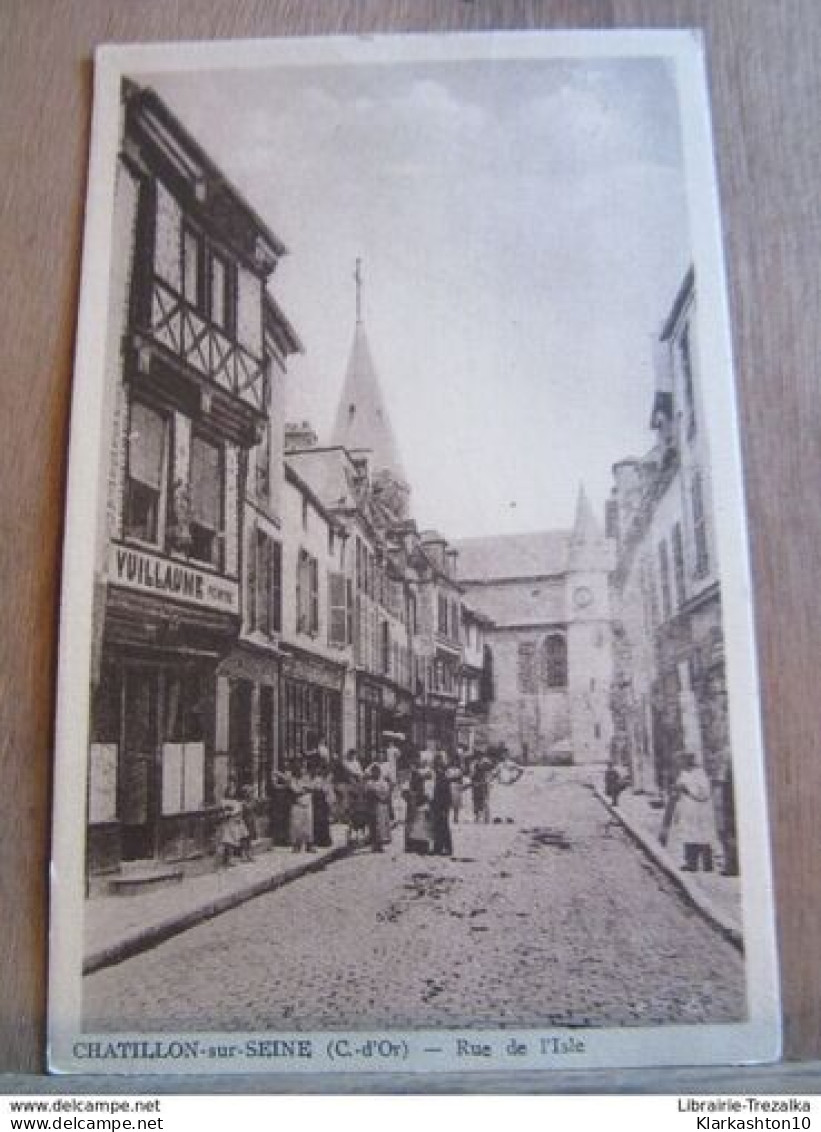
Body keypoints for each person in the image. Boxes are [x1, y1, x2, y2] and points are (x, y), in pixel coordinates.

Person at [662, 751, 717, 872]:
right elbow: (679, 788)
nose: (679, 764)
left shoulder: (700, 774)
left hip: (700, 811)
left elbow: (705, 794)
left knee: (702, 837)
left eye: (681, 761)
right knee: (688, 836)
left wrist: (688, 791)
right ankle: (691, 864)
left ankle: (707, 866)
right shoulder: (683, 774)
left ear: (688, 761)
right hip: (687, 811)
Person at [274, 760, 314, 853]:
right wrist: (304, 789)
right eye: (300, 769)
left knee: (308, 825)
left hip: (307, 803)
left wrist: (305, 789)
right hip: (297, 804)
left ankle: (309, 845)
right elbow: (295, 790)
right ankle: (296, 845)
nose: (302, 771)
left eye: (303, 769)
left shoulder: (307, 777)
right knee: (296, 826)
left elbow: (312, 787)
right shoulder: (292, 779)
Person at [404, 754, 433, 854]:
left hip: (418, 801)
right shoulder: (413, 776)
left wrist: (415, 795)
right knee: (414, 824)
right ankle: (413, 845)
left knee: (418, 824)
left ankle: (418, 845)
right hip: (413, 801)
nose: (412, 768)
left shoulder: (418, 776)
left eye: (413, 766)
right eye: (411, 766)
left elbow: (422, 790)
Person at [364, 763, 392, 852]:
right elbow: (367, 794)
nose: (375, 773)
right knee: (373, 825)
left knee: (380, 825)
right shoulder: (369, 783)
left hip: (381, 805)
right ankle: (374, 844)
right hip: (372, 806)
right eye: (373, 771)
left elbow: (387, 793)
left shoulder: (383, 782)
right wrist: (372, 794)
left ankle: (379, 845)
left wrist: (379, 795)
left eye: (377, 771)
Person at [218, 788, 248, 867]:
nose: (232, 792)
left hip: (235, 822)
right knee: (229, 842)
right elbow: (224, 812)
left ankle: (241, 856)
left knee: (236, 840)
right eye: (230, 791)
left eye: (233, 791)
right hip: (228, 823)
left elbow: (238, 811)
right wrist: (228, 813)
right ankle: (227, 860)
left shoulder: (235, 801)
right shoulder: (224, 801)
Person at [431, 755, 454, 856]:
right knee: (438, 827)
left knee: (443, 827)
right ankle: (439, 847)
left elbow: (447, 796)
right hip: (438, 806)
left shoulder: (443, 778)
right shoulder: (440, 778)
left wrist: (445, 808)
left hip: (442, 807)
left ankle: (447, 848)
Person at [311, 763, 334, 848]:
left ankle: (325, 840)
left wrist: (330, 802)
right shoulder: (317, 779)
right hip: (319, 801)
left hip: (325, 802)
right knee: (318, 821)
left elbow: (330, 792)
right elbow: (316, 788)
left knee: (324, 821)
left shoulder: (328, 780)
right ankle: (318, 840)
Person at [471, 752, 493, 824]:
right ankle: (478, 816)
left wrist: (486, 782)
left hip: (483, 784)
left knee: (484, 800)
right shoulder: (474, 764)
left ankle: (486, 817)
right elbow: (472, 775)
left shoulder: (485, 762)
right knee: (476, 800)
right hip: (477, 784)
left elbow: (489, 775)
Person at [447, 752, 465, 823]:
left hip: (457, 786)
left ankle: (456, 817)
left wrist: (460, 784)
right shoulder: (449, 770)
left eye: (456, 761)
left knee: (456, 803)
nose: (455, 762)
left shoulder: (459, 770)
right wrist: (454, 778)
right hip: (451, 786)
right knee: (449, 802)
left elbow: (460, 779)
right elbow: (448, 778)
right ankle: (448, 817)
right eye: (453, 761)